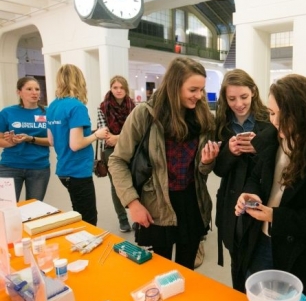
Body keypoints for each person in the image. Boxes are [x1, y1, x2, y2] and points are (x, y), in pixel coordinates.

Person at [234, 74, 306, 301]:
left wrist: (276, 216)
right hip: (263, 243)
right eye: (271, 113)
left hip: (303, 253)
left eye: (281, 114)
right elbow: (256, 176)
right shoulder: (270, 137)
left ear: (302, 112)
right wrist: (250, 193)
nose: (274, 121)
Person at [108, 57, 218, 270]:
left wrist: (207, 161)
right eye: (193, 90)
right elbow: (117, 160)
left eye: (202, 90)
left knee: (186, 271)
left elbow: (202, 170)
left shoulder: (203, 115)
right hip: (155, 205)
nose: (199, 96)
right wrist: (133, 203)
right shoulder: (145, 114)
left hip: (192, 203)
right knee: (159, 272)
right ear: (175, 86)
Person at [212, 69, 273, 292]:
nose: (239, 104)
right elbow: (218, 170)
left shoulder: (268, 119)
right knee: (236, 257)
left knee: (259, 256)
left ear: (253, 93)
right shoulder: (221, 124)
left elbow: (275, 162)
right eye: (232, 99)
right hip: (231, 200)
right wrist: (229, 151)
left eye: (244, 97)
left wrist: (260, 148)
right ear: (225, 99)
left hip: (261, 196)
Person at [46, 64, 108, 225]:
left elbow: (52, 140)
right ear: (79, 80)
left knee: (78, 212)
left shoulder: (52, 106)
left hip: (64, 170)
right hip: (78, 171)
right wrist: (96, 135)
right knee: (88, 219)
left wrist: (88, 132)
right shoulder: (77, 106)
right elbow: (75, 144)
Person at [0, 76, 51, 201]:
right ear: (19, 92)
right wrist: (11, 142)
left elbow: (52, 141)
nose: (34, 92)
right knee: (7, 208)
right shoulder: (7, 112)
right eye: (29, 89)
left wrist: (30, 138)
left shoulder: (48, 112)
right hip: (10, 166)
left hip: (39, 167)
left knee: (34, 209)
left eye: (37, 89)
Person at [97, 75, 136, 232]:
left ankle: (137, 218)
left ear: (126, 89)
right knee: (117, 185)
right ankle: (122, 219)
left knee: (136, 182)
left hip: (132, 148)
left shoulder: (134, 107)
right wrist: (115, 138)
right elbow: (104, 132)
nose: (119, 90)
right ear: (111, 89)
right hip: (111, 151)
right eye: (115, 87)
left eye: (121, 87)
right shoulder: (103, 107)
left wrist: (118, 137)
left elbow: (136, 130)